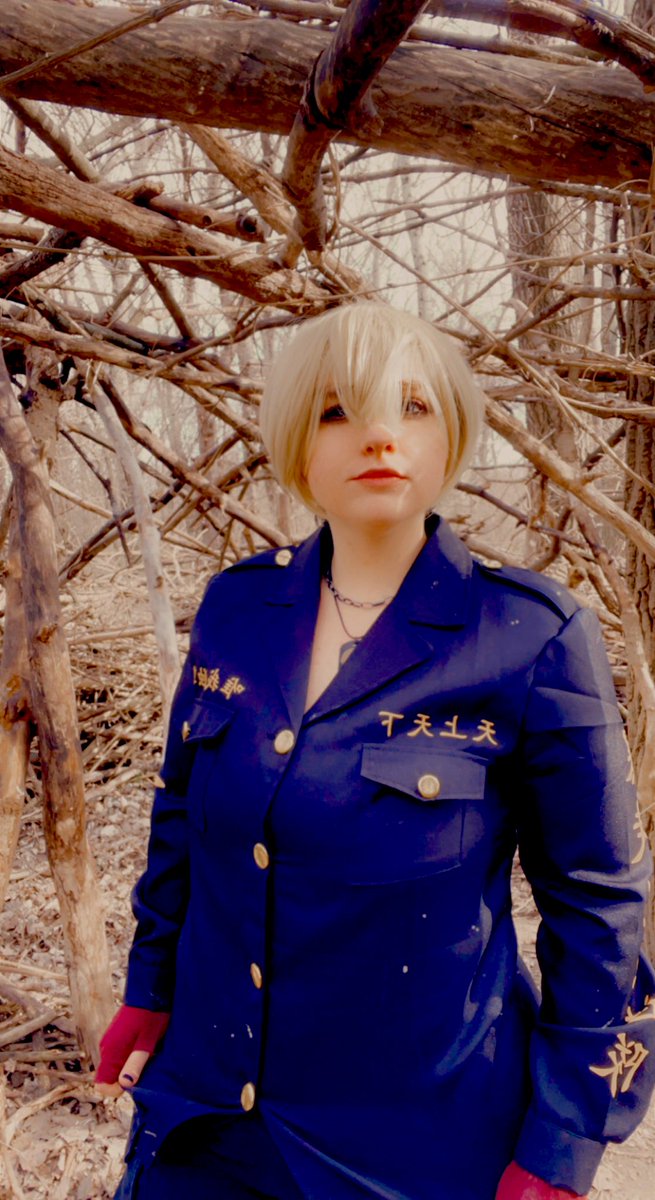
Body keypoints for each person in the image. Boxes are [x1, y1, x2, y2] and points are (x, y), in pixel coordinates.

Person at [96, 302, 655, 1200]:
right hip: (204, 1116)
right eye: (336, 411)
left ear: (452, 433)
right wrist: (149, 984)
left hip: (414, 1147)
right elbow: (180, 818)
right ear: (296, 442)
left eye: (413, 406)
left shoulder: (528, 636)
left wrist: (565, 1137)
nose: (378, 436)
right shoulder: (237, 610)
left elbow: (598, 905)